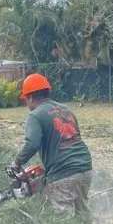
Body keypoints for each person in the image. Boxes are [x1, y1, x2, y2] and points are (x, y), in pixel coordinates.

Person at [10, 73, 93, 216]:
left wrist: (17, 163)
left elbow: (32, 143)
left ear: (30, 98)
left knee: (62, 220)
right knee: (83, 214)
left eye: (26, 100)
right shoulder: (65, 109)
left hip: (63, 173)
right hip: (85, 167)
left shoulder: (35, 115)